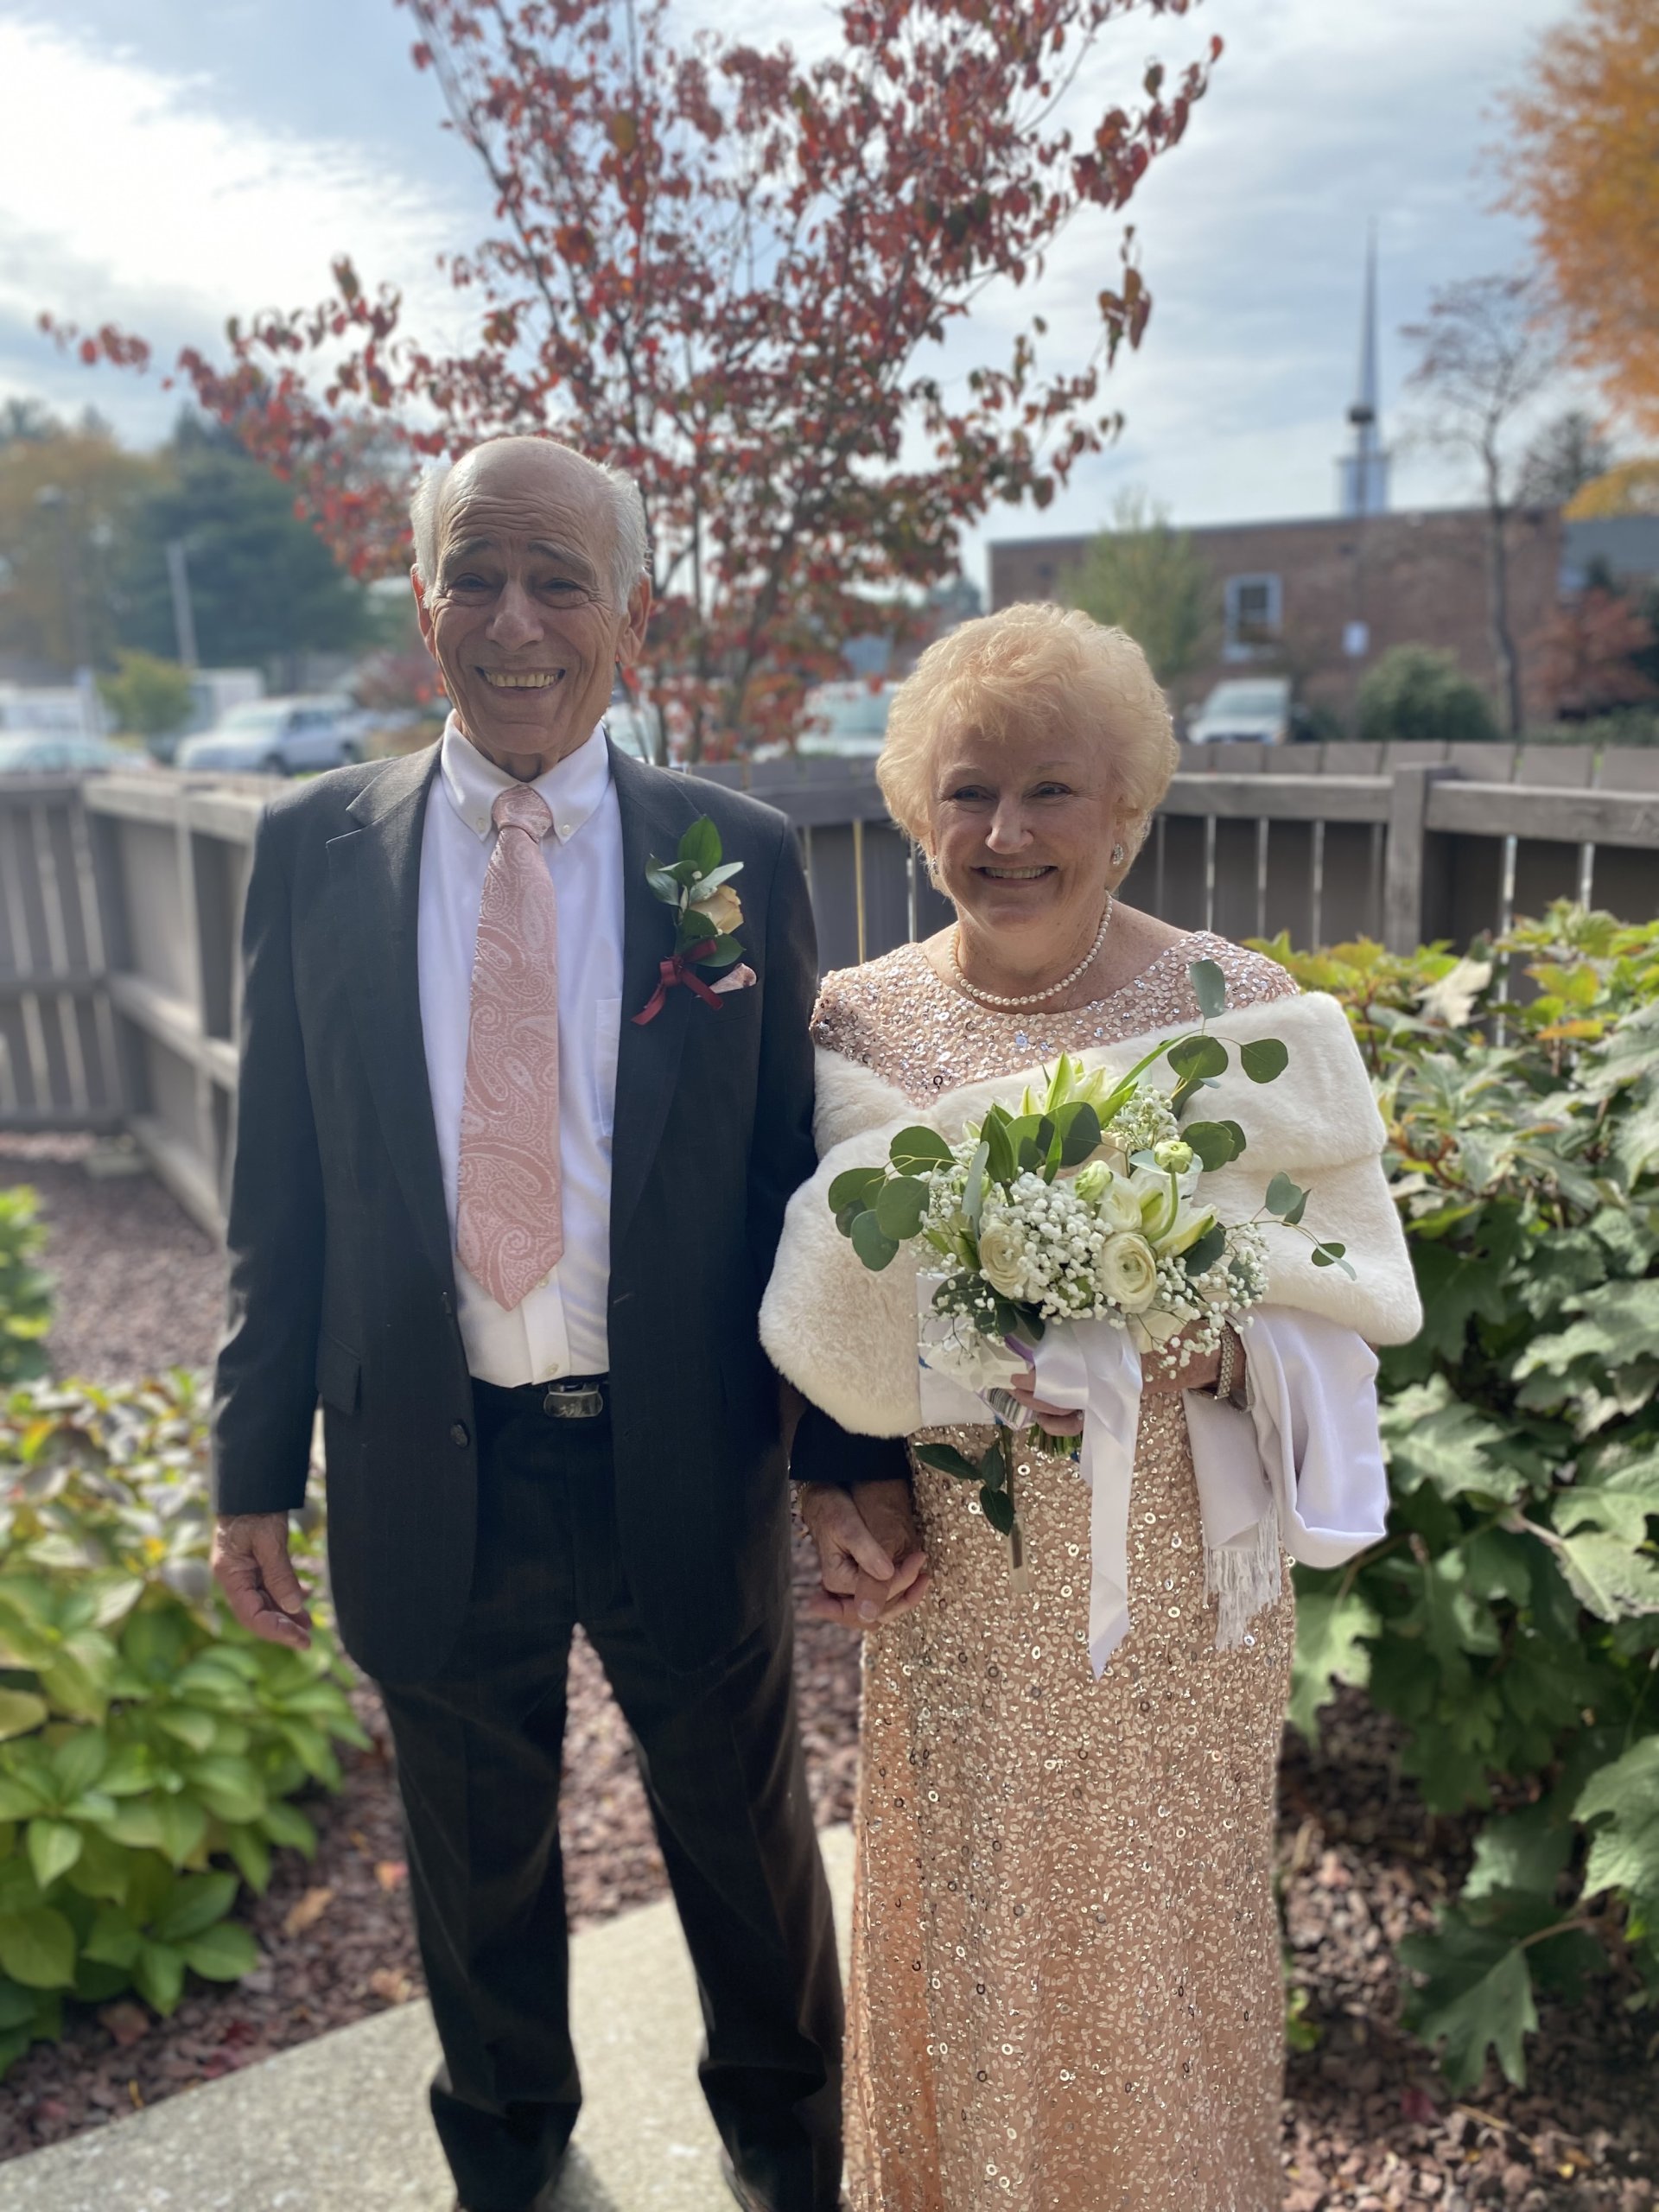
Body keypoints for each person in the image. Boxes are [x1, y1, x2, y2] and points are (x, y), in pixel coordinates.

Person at [208, 435, 901, 2212]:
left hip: (680, 1444)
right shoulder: (311, 851)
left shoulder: (732, 858)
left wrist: (844, 1456)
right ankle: (510, 2152)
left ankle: (790, 2141)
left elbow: (795, 1178)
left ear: (632, 619)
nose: (515, 621)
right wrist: (251, 1469)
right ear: (422, 601)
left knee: (743, 1833)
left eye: (560, 580)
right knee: (471, 1851)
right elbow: (277, 1181)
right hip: (427, 1450)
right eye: (477, 575)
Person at [761, 603, 1421, 2211]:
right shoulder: (850, 1024)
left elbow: (1348, 1295)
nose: (1006, 834)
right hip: (961, 1587)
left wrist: (1212, 1345)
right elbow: (802, 1305)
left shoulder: (1233, 1010)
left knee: (1161, 1942)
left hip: (1179, 1591)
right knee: (974, 1930)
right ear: (918, 813)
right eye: (968, 792)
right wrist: (833, 1491)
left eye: (1050, 789)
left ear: (1125, 808)